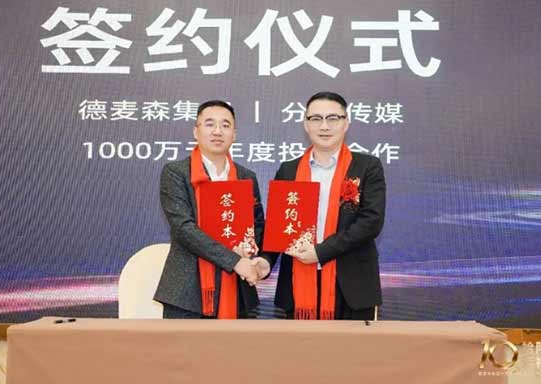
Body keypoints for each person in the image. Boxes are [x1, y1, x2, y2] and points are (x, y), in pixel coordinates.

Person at [270, 91, 386, 320]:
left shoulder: (367, 166)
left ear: (346, 123)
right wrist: (264, 262)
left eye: (333, 118)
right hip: (297, 282)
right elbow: (280, 226)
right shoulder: (288, 170)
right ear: (306, 124)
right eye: (316, 119)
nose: (324, 126)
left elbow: (371, 221)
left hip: (352, 285)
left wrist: (320, 252)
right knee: (300, 344)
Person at [154, 100, 271, 318]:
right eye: (209, 124)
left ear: (234, 134)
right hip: (187, 294)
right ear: (196, 132)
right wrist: (234, 261)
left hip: (239, 292)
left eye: (225, 125)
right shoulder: (176, 173)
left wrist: (256, 256)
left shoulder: (246, 177)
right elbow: (183, 229)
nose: (218, 131)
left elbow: (257, 226)